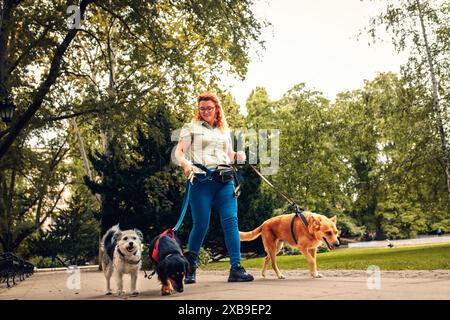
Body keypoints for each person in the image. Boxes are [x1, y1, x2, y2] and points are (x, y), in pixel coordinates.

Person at [175, 92, 254, 283]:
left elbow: (229, 154)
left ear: (216, 108)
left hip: (225, 182)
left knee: (231, 222)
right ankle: (190, 266)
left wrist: (238, 155)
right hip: (202, 182)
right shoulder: (191, 128)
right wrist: (185, 164)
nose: (205, 111)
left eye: (209, 108)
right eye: (202, 108)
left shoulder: (223, 131)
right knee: (201, 224)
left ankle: (236, 268)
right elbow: (179, 152)